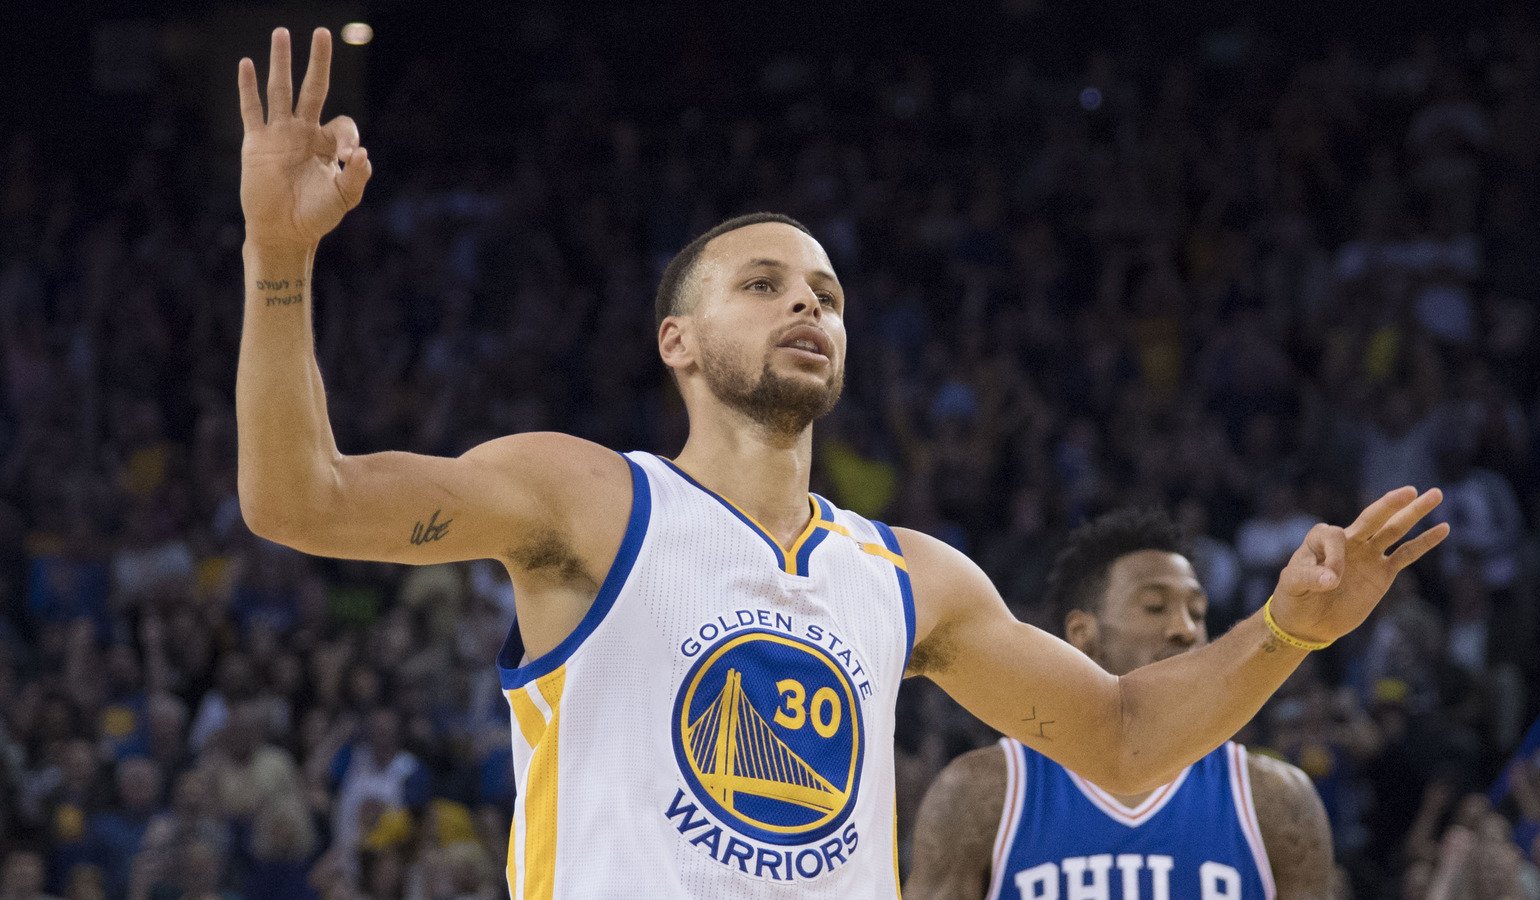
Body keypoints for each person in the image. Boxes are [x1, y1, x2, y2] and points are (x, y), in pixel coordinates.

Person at [234, 28, 1449, 897]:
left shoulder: (911, 576)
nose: (807, 307)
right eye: (762, 286)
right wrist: (277, 259)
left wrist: (1286, 631)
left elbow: (1125, 736)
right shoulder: (588, 499)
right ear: (680, 343)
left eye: (826, 292)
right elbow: (300, 500)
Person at [904, 510, 1334, 899]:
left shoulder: (1274, 799)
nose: (1186, 630)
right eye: (1154, 607)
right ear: (1081, 633)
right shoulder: (984, 792)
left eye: (1198, 612)